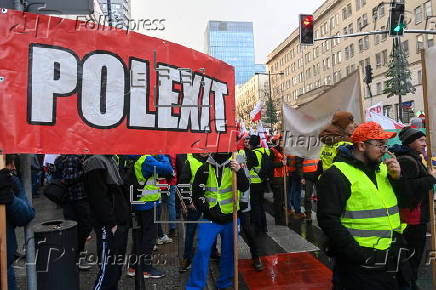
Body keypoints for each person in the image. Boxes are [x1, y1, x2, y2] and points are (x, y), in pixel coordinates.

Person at [317, 122, 412, 290]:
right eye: (380, 144)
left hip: (392, 252)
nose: (385, 150)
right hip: (361, 262)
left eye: (385, 144)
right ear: (361, 145)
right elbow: (328, 220)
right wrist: (356, 253)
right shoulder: (336, 174)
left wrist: (398, 179)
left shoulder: (384, 169)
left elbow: (406, 203)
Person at [186, 153, 249, 290]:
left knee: (229, 253)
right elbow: (197, 194)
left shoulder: (235, 164)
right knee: (202, 249)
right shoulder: (204, 168)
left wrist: (239, 171)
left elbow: (244, 187)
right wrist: (208, 210)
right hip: (210, 219)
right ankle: (195, 286)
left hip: (231, 217)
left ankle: (224, 284)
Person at [390, 127, 436, 290]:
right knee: (412, 256)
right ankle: (408, 284)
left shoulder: (413, 157)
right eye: (421, 140)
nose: (425, 143)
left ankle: (410, 282)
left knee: (412, 256)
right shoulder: (407, 161)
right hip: (412, 218)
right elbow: (406, 189)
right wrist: (430, 179)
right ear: (410, 142)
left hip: (415, 216)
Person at [83, 155, 131, 290]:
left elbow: (118, 191)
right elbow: (98, 197)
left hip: (118, 222)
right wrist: (111, 223)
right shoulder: (95, 161)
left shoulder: (110, 159)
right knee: (108, 270)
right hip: (110, 225)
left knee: (115, 269)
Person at [126, 154, 173, 279]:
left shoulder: (138, 158)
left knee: (139, 236)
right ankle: (145, 269)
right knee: (149, 238)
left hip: (140, 202)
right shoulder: (147, 159)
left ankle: (133, 267)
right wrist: (164, 156)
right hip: (149, 204)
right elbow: (168, 169)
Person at [0, 154, 35, 290]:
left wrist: (10, 199)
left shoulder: (10, 181)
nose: (13, 167)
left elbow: (26, 214)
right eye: (12, 163)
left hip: (4, 265)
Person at [54, 154, 93, 270]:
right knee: (82, 228)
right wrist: (85, 171)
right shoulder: (72, 157)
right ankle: (76, 257)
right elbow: (67, 178)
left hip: (79, 199)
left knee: (82, 228)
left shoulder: (78, 157)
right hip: (75, 199)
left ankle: (76, 255)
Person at [178, 152, 211, 272]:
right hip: (195, 203)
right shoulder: (190, 161)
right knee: (191, 231)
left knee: (211, 229)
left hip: (210, 202)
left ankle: (213, 252)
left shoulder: (213, 160)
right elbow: (184, 183)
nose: (204, 150)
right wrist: (188, 202)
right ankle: (187, 258)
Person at [246, 135, 270, 233]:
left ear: (251, 143)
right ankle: (264, 226)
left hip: (254, 182)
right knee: (261, 204)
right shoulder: (265, 151)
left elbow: (248, 168)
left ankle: (258, 226)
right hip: (263, 181)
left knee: (255, 205)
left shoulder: (252, 154)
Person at [269, 134, 287, 225]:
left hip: (284, 177)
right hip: (276, 178)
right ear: (277, 141)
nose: (282, 143)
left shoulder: (285, 151)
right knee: (278, 200)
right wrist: (281, 164)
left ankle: (283, 217)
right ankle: (278, 219)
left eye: (283, 141)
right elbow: (270, 164)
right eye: (280, 141)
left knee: (283, 200)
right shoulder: (272, 151)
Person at [301, 157, 320, 221]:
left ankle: (321, 213)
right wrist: (302, 177)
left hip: (318, 175)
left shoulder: (318, 148)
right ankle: (308, 214)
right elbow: (299, 164)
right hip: (307, 176)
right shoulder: (304, 150)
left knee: (321, 196)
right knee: (307, 196)